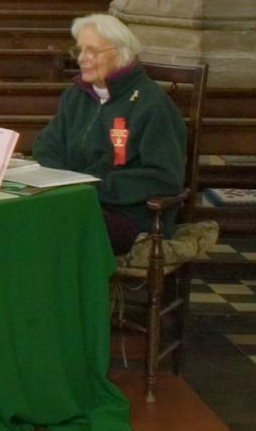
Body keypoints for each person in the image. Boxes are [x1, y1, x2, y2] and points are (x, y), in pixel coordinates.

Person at [30, 14, 188, 253]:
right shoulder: (76, 96)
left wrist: (95, 187)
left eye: (92, 51)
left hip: (132, 215)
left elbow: (163, 176)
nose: (83, 59)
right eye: (80, 50)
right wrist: (66, 184)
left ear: (121, 53)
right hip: (76, 201)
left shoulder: (152, 104)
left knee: (52, 229)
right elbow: (47, 146)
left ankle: (83, 291)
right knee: (22, 219)